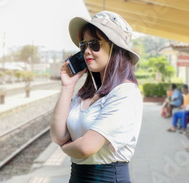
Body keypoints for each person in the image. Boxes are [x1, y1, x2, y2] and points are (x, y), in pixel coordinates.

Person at [50, 11, 143, 182]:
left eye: (94, 44)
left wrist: (63, 147)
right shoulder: (85, 94)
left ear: (115, 48)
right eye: (83, 45)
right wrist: (67, 86)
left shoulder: (125, 93)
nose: (87, 51)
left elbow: (86, 147)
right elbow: (57, 135)